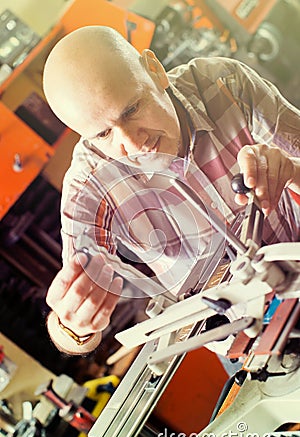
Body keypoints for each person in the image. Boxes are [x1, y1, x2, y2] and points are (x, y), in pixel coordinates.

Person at [43, 25, 300, 356]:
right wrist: (73, 325)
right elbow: (73, 334)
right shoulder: (89, 186)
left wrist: (291, 170)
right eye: (104, 134)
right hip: (245, 339)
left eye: (133, 109)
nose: (134, 144)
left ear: (155, 70)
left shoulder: (225, 84)